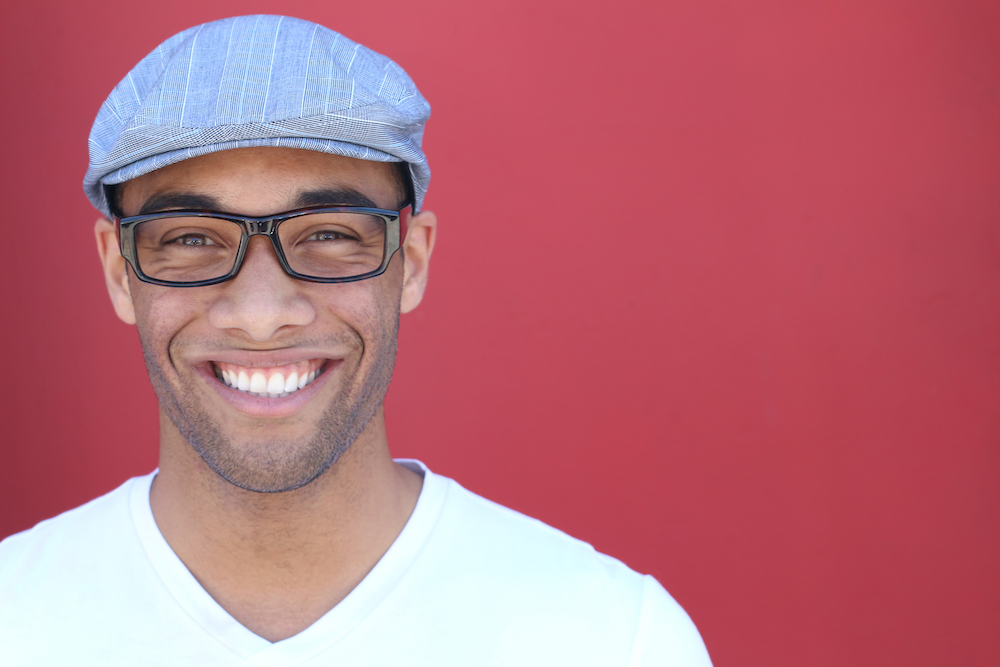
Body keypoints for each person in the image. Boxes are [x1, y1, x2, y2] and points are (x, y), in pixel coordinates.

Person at [0, 15, 711, 665]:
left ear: (414, 260)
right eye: (190, 237)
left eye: (330, 233)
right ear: (119, 272)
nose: (261, 314)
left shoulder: (612, 637)